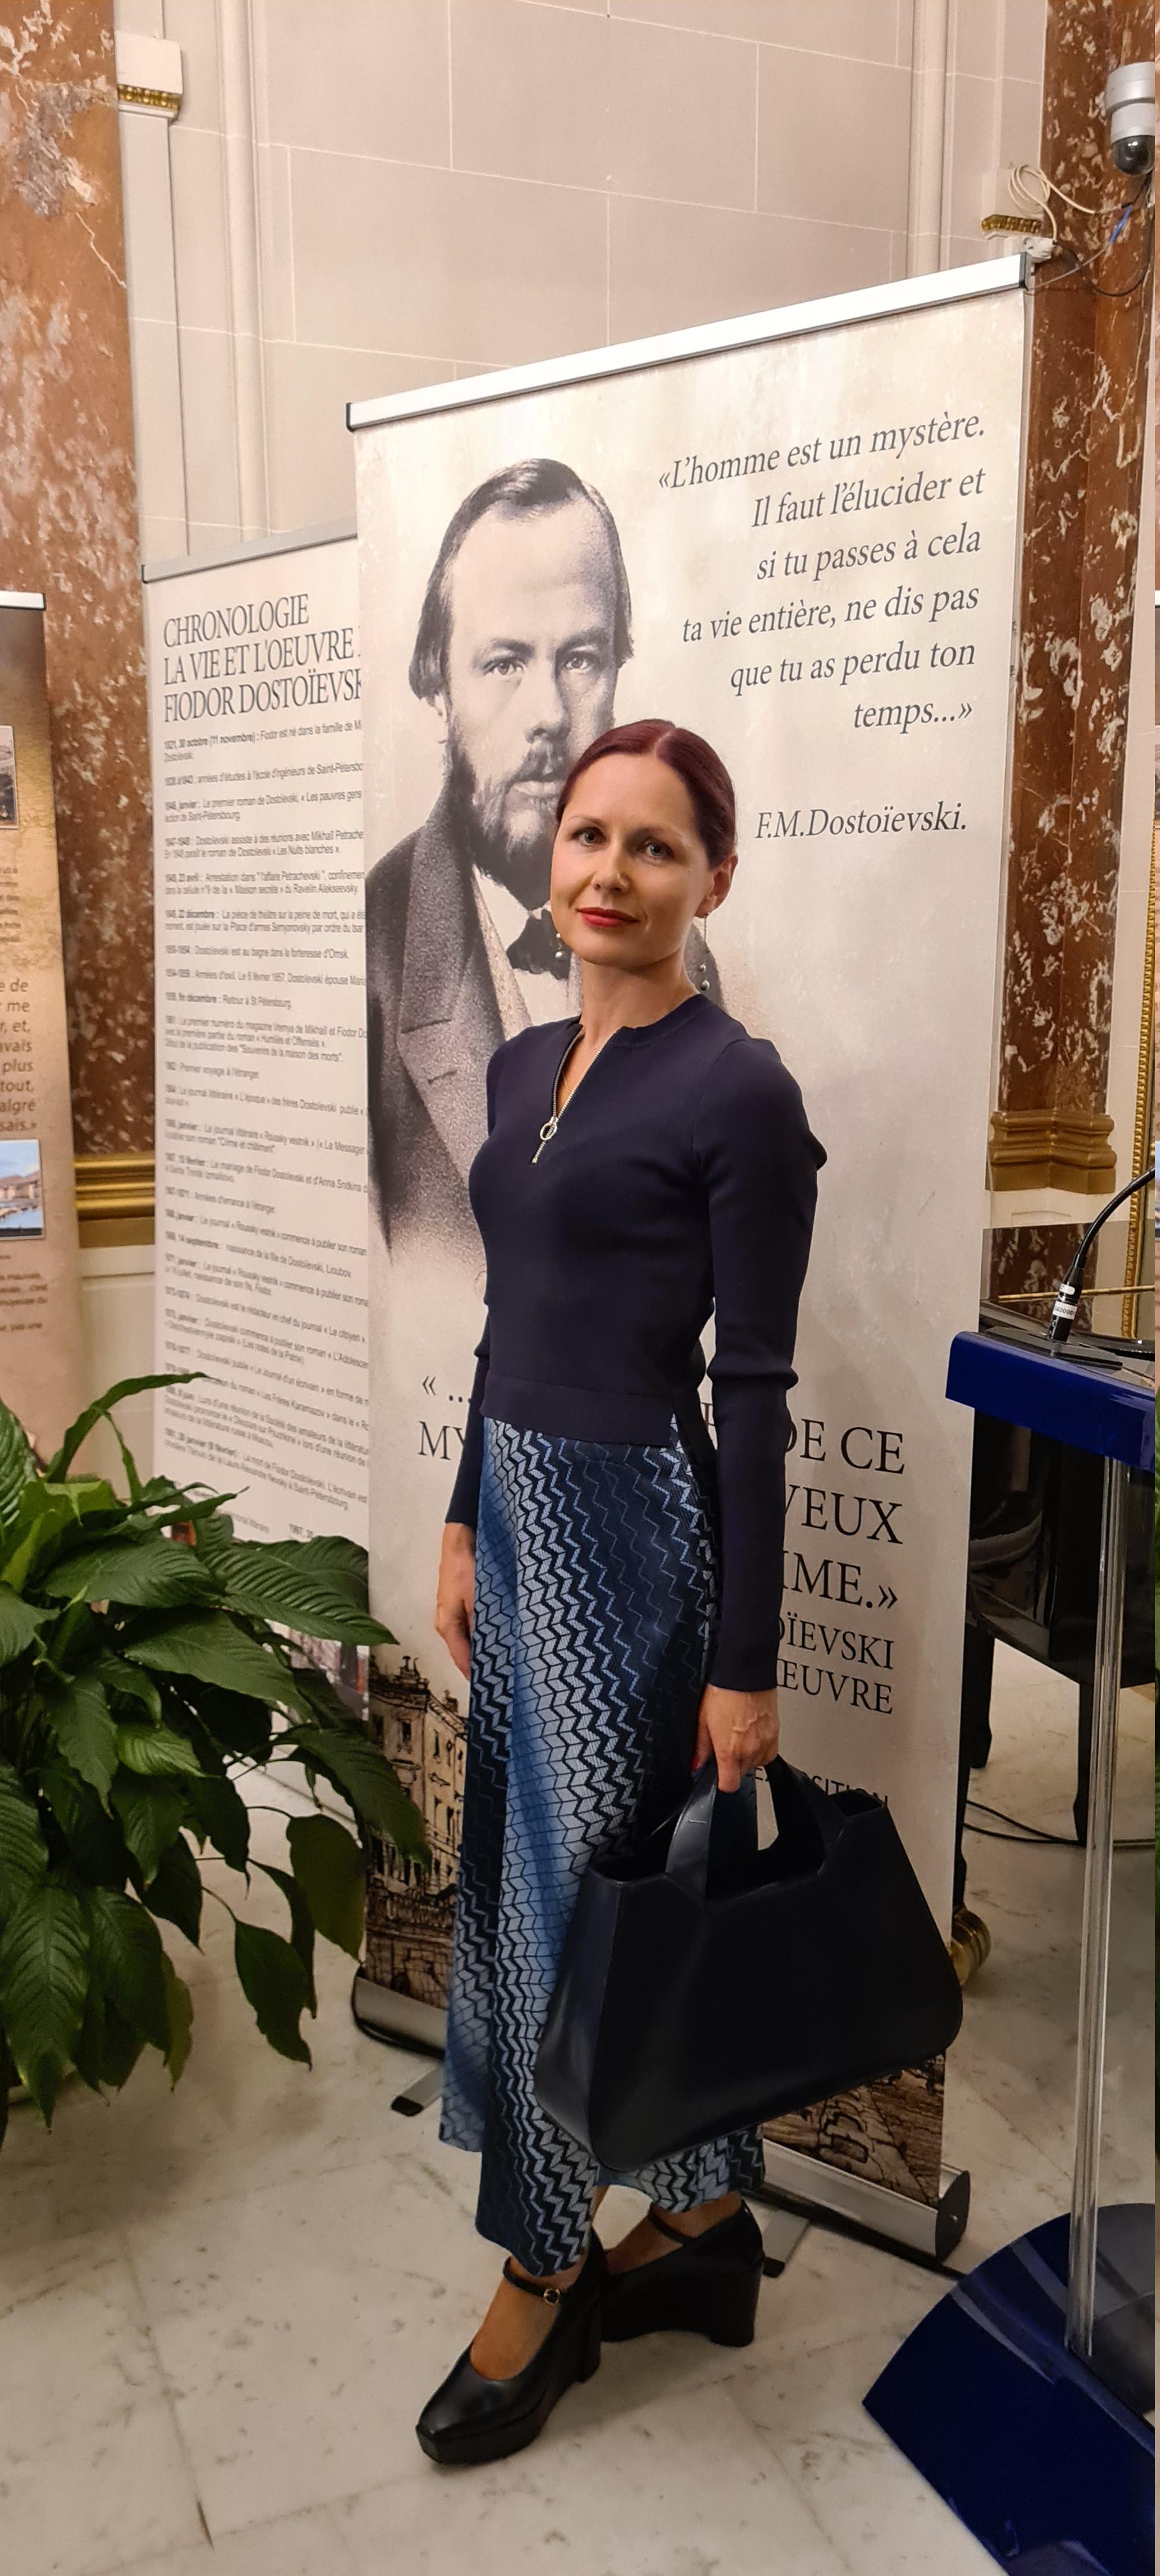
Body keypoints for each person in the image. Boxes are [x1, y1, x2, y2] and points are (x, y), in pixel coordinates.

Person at [416, 719, 825, 2467]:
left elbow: (757, 1394)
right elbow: (507, 1319)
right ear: (552, 854)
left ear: (711, 880)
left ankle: (544, 2263)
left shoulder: (739, 1091)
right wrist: (461, 1515)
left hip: (636, 1542)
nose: (609, 872)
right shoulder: (523, 1069)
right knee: (563, 1893)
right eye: (589, 836)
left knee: (575, 1925)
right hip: (517, 1517)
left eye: (655, 847)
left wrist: (747, 1663)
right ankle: (707, 2223)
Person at [365, 459, 630, 1266]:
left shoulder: (680, 953)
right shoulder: (364, 966)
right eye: (504, 663)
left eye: (580, 658)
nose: (547, 714)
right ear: (436, 687)